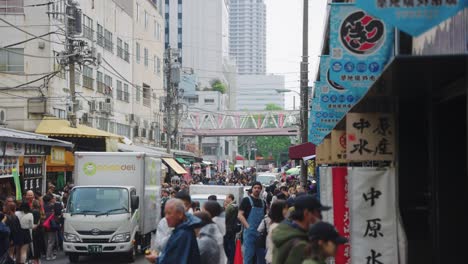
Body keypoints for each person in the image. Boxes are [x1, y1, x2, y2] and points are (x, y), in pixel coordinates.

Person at [272, 195, 331, 264]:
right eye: (318, 213)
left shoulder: (287, 233)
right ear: (306, 213)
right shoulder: (300, 245)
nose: (320, 218)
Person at [145, 199, 201, 264]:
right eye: (165, 213)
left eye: (169, 213)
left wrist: (156, 259)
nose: (166, 217)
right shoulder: (183, 230)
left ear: (180, 214)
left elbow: (172, 261)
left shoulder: (182, 234)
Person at [238, 182, 267, 264]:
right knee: (248, 256)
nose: (257, 189)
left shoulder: (263, 202)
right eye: (255, 188)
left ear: (261, 190)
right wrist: (248, 226)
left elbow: (265, 217)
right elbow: (240, 215)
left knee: (260, 257)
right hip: (249, 233)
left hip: (260, 234)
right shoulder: (246, 200)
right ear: (252, 189)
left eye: (258, 188)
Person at [224, 194, 239, 264]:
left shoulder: (230, 207)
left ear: (230, 198)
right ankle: (232, 259)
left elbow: (225, 217)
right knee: (232, 244)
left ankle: (230, 260)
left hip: (228, 228)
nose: (226, 199)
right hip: (233, 228)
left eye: (226, 197)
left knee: (229, 245)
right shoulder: (236, 206)